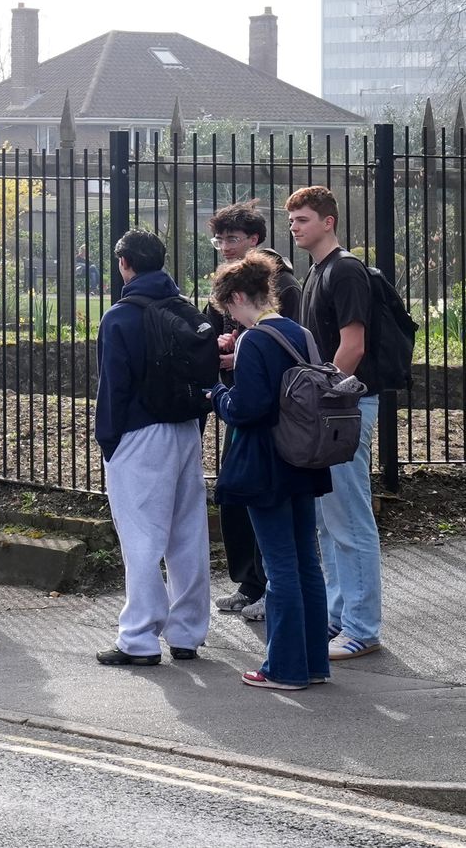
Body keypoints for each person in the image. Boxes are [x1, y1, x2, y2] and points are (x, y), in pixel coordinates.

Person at [210, 251, 334, 690]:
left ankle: (283, 668)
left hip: (266, 464)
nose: (231, 318)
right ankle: (314, 663)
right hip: (304, 458)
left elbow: (249, 408)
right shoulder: (300, 333)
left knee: (279, 566)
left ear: (239, 297)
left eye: (229, 309)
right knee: (306, 564)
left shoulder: (254, 339)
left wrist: (216, 395)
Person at [93, 229, 212, 667]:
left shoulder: (121, 316)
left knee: (142, 536)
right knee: (188, 533)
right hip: (185, 428)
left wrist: (109, 441)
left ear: (124, 264)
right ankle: (188, 633)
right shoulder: (186, 310)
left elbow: (113, 387)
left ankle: (139, 637)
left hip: (139, 433)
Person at [287, 185, 385, 662]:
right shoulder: (317, 271)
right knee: (329, 520)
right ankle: (338, 616)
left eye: (303, 219)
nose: (294, 226)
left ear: (329, 221)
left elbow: (353, 346)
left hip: (344, 408)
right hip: (334, 408)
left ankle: (361, 627)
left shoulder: (343, 270)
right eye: (292, 220)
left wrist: (321, 400)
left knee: (348, 518)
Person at [204, 201, 303, 622]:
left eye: (233, 238)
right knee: (236, 496)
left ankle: (270, 588)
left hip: (268, 410)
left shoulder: (283, 286)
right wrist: (220, 350)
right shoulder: (228, 285)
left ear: (254, 240)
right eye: (220, 239)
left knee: (267, 500)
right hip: (240, 398)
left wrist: (240, 358)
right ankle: (250, 583)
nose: (225, 246)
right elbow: (212, 332)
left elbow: (285, 346)